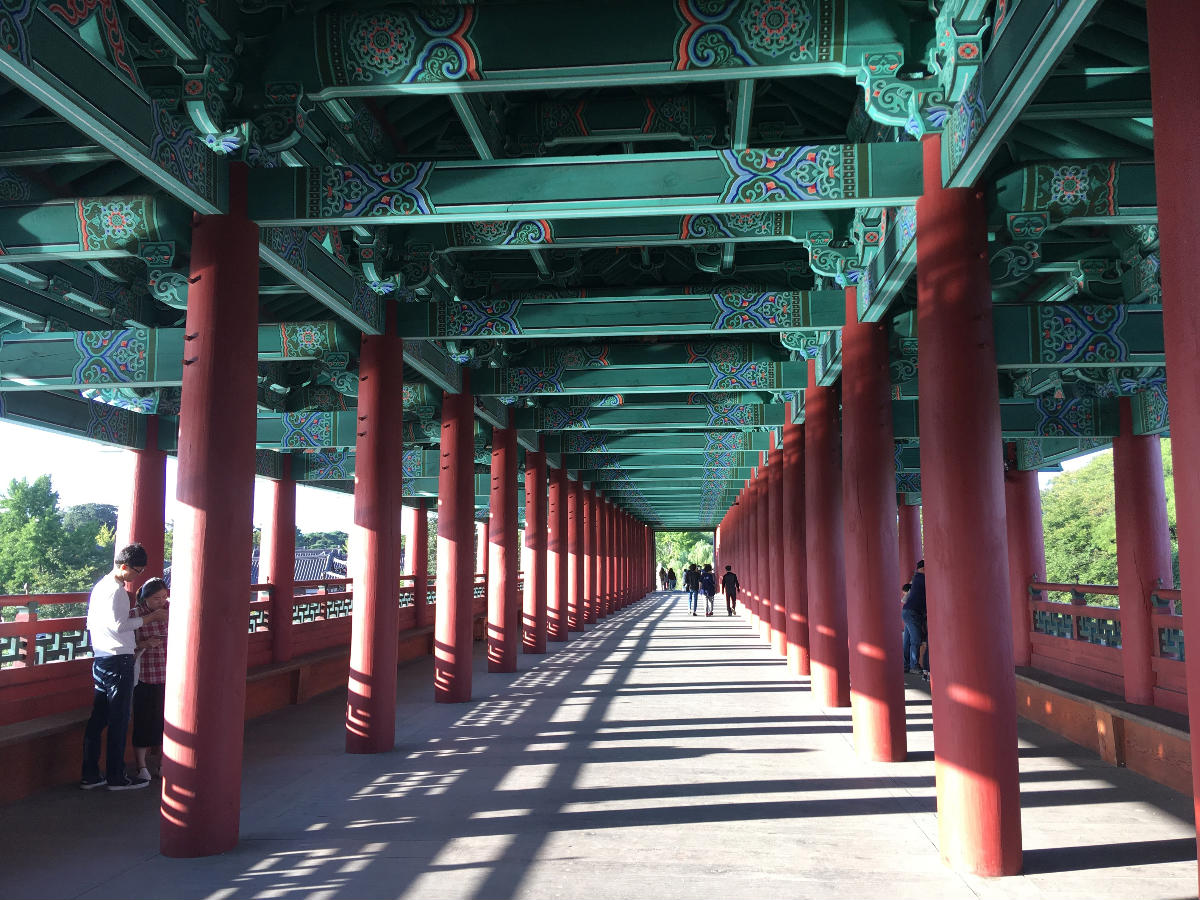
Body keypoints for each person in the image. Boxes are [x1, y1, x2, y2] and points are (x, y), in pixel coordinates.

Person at [81, 543, 166, 791]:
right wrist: (150, 618)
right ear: (124, 566)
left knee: (98, 718)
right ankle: (116, 776)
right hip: (119, 660)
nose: (136, 577)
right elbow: (119, 626)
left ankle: (90, 774)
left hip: (102, 656)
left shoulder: (100, 588)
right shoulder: (116, 591)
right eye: (136, 571)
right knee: (119, 719)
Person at [132, 578, 169, 781]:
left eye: (164, 596)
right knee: (144, 720)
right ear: (145, 598)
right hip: (144, 675)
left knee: (166, 721)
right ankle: (141, 766)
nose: (161, 601)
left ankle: (164, 762)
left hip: (167, 674)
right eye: (156, 598)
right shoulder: (135, 615)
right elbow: (126, 645)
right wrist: (144, 643)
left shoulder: (172, 611)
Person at [901, 561, 927, 678]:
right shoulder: (922, 578)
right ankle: (913, 665)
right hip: (913, 613)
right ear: (924, 568)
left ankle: (906, 665)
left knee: (907, 640)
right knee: (916, 639)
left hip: (907, 611)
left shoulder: (917, 578)